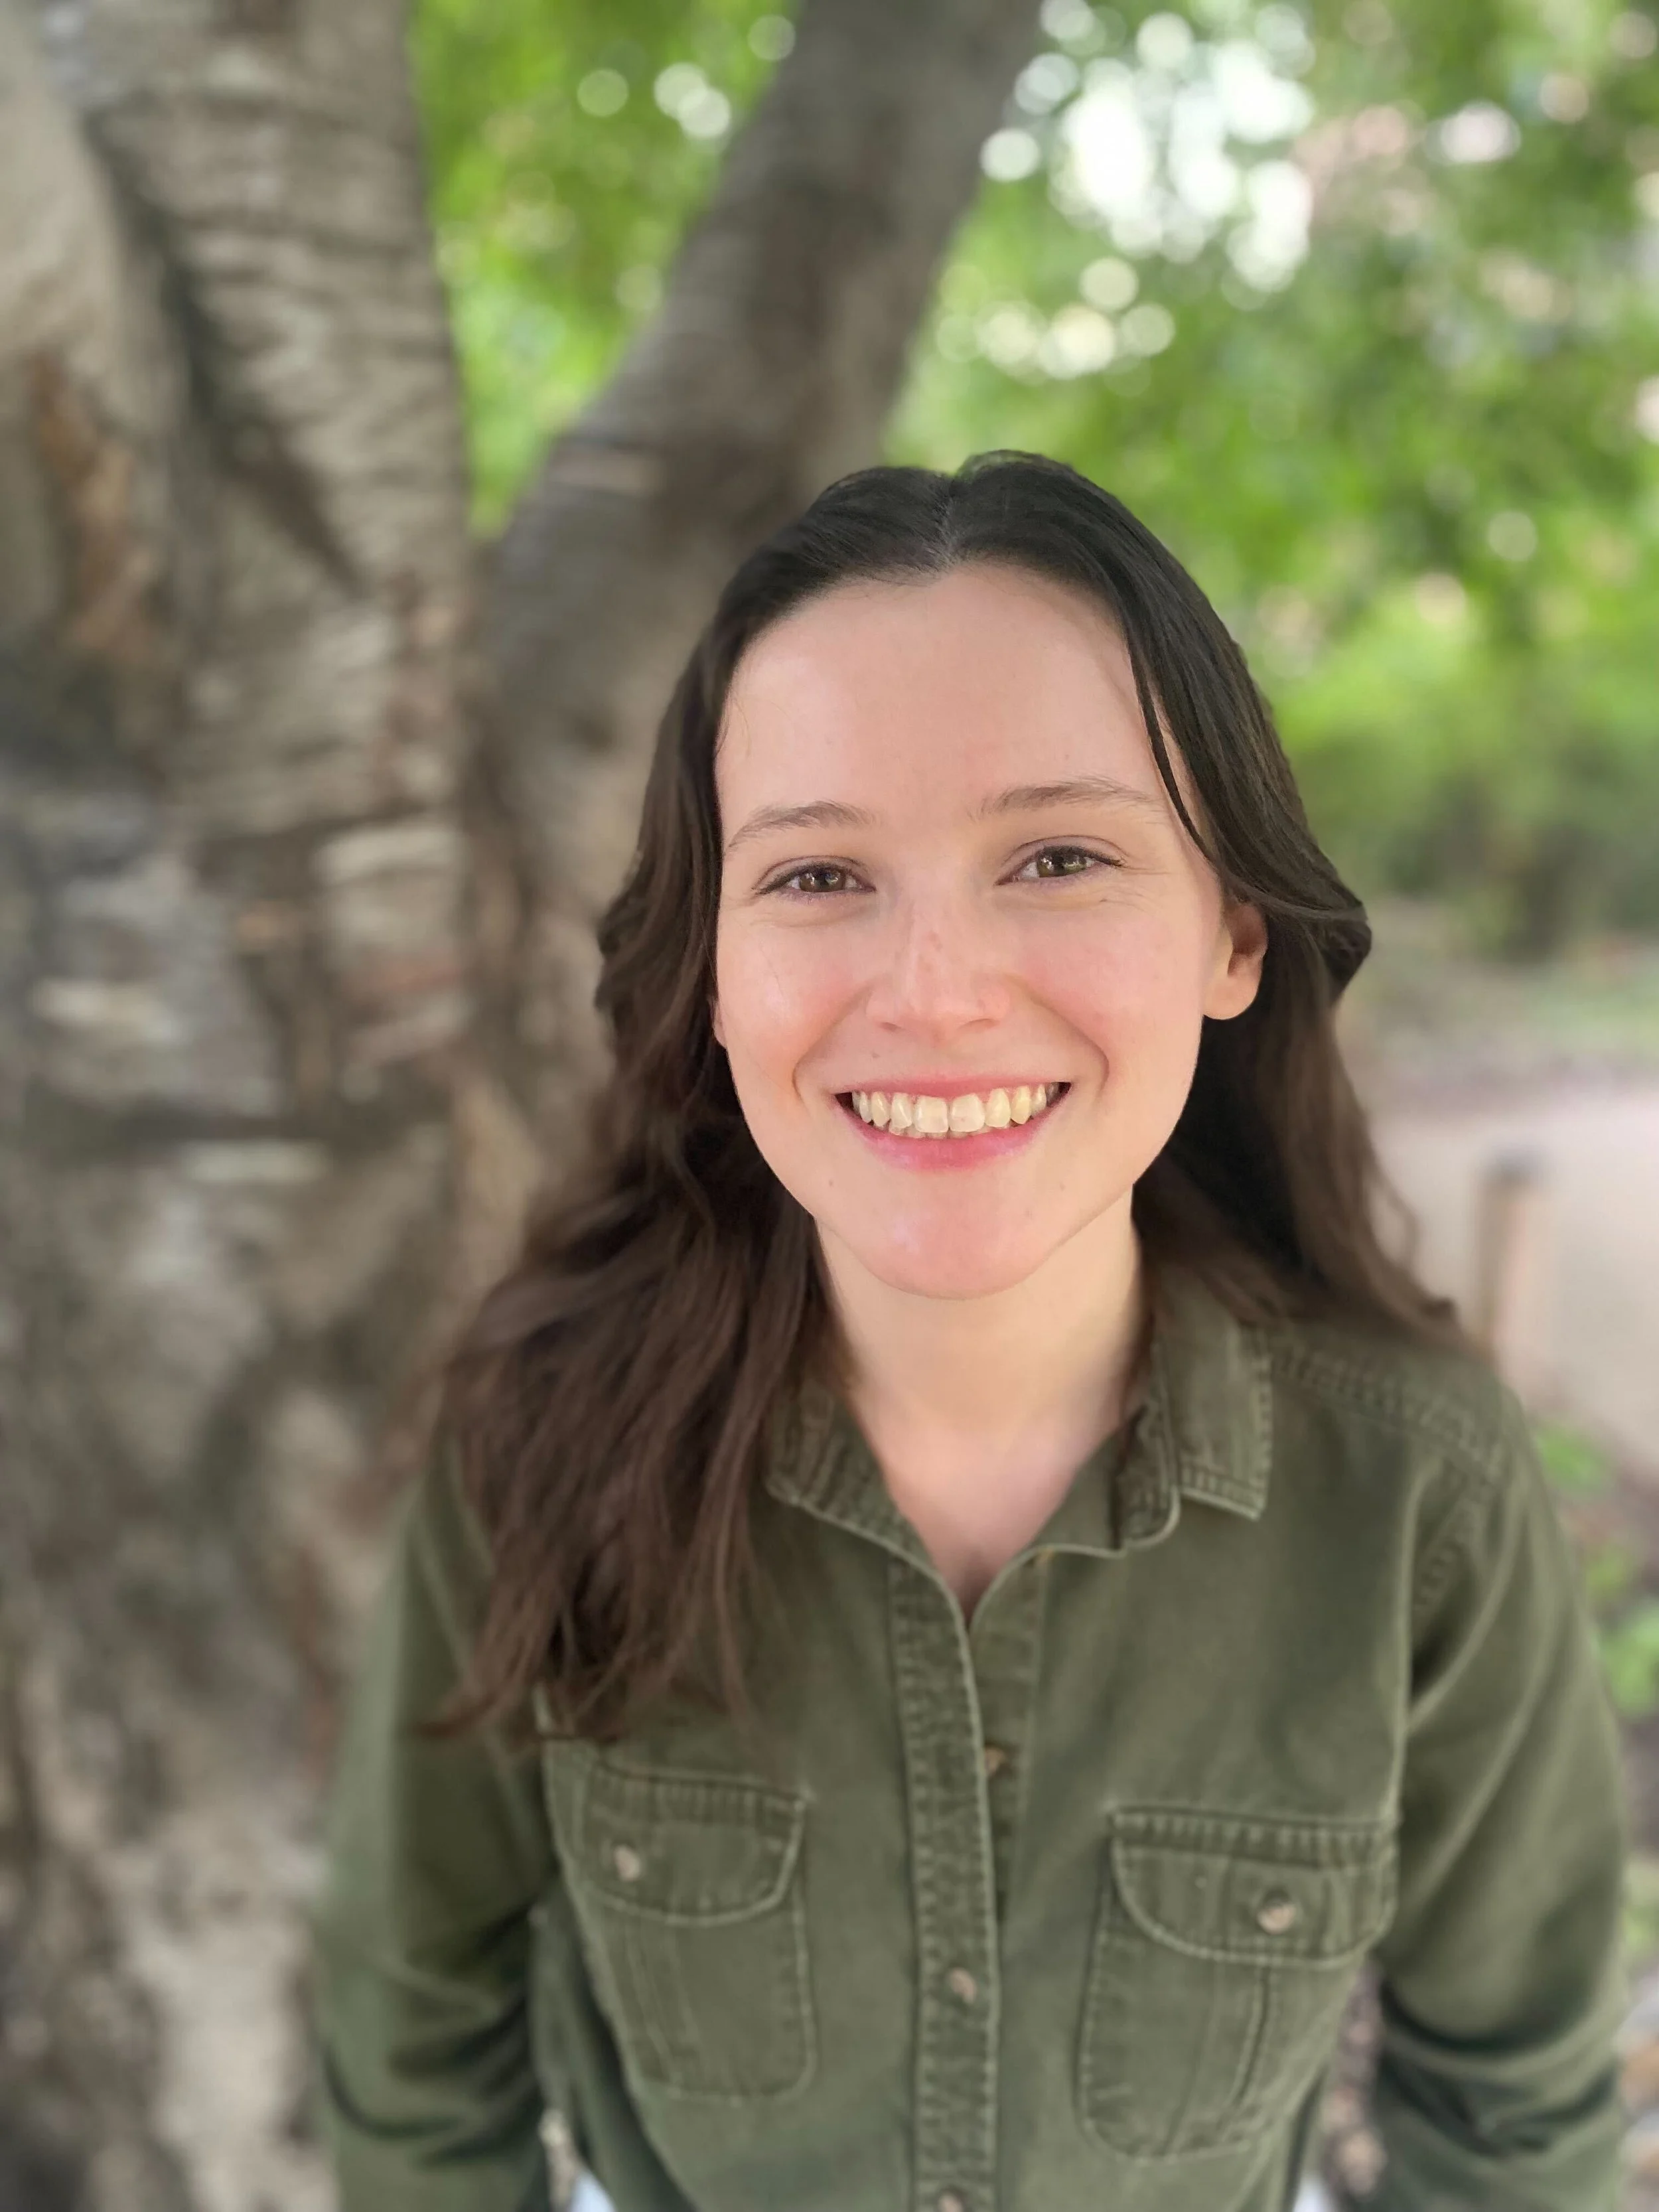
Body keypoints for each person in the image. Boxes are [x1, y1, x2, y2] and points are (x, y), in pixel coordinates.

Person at [309, 454, 1630, 2212]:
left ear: (1232, 929)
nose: (932, 990)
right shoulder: (540, 1444)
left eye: (1058, 854)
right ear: (708, 964)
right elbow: (413, 2027)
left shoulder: (1416, 1487)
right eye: (815, 876)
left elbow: (1516, 2124)